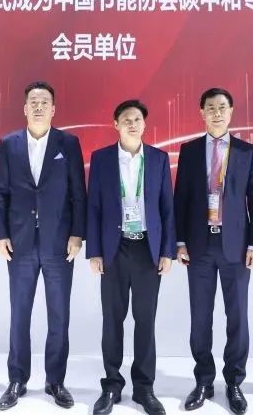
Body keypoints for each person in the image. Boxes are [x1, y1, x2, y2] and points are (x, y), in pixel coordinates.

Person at [0, 81, 87, 411]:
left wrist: (77, 234)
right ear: (24, 108)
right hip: (19, 244)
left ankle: (55, 381)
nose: (38, 106)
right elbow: (0, 193)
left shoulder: (68, 143)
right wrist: (1, 235)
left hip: (59, 244)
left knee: (59, 316)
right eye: (33, 101)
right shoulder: (10, 143)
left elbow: (78, 193)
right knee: (19, 314)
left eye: (44, 102)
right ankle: (17, 379)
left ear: (53, 109)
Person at [174, 88, 253, 415]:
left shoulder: (247, 152)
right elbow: (181, 200)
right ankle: (203, 381)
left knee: (237, 317)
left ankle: (234, 382)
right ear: (201, 112)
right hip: (199, 246)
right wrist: (179, 242)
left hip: (236, 248)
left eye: (222, 107)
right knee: (200, 318)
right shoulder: (189, 151)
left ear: (231, 112)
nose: (216, 113)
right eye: (210, 107)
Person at [86, 100, 175, 415]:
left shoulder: (158, 159)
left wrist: (167, 251)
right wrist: (95, 251)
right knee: (112, 319)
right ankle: (112, 385)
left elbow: (167, 207)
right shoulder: (102, 159)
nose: (133, 124)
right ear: (116, 124)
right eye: (126, 119)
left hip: (147, 249)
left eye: (137, 119)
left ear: (144, 124)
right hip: (114, 248)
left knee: (145, 320)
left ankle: (144, 388)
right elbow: (94, 207)